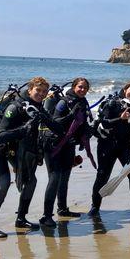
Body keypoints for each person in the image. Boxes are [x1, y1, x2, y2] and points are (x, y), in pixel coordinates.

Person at [0, 77, 62, 238]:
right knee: (4, 183)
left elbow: (59, 129)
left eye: (44, 92)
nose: (40, 94)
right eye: (37, 90)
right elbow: (1, 136)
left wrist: (47, 119)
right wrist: (23, 129)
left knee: (31, 181)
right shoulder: (15, 106)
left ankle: (21, 218)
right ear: (30, 89)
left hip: (15, 150)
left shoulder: (38, 107)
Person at [88, 81, 130, 217]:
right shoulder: (112, 103)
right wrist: (120, 118)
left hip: (125, 146)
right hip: (107, 145)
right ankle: (95, 207)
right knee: (102, 176)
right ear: (125, 89)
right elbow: (104, 123)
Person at [40, 77, 92, 227]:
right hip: (53, 145)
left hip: (69, 145)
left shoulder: (82, 102)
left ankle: (62, 209)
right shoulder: (64, 102)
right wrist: (70, 115)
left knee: (65, 178)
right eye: (80, 87)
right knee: (54, 179)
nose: (82, 90)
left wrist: (84, 138)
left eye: (85, 88)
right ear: (74, 87)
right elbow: (54, 122)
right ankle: (46, 216)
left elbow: (81, 124)